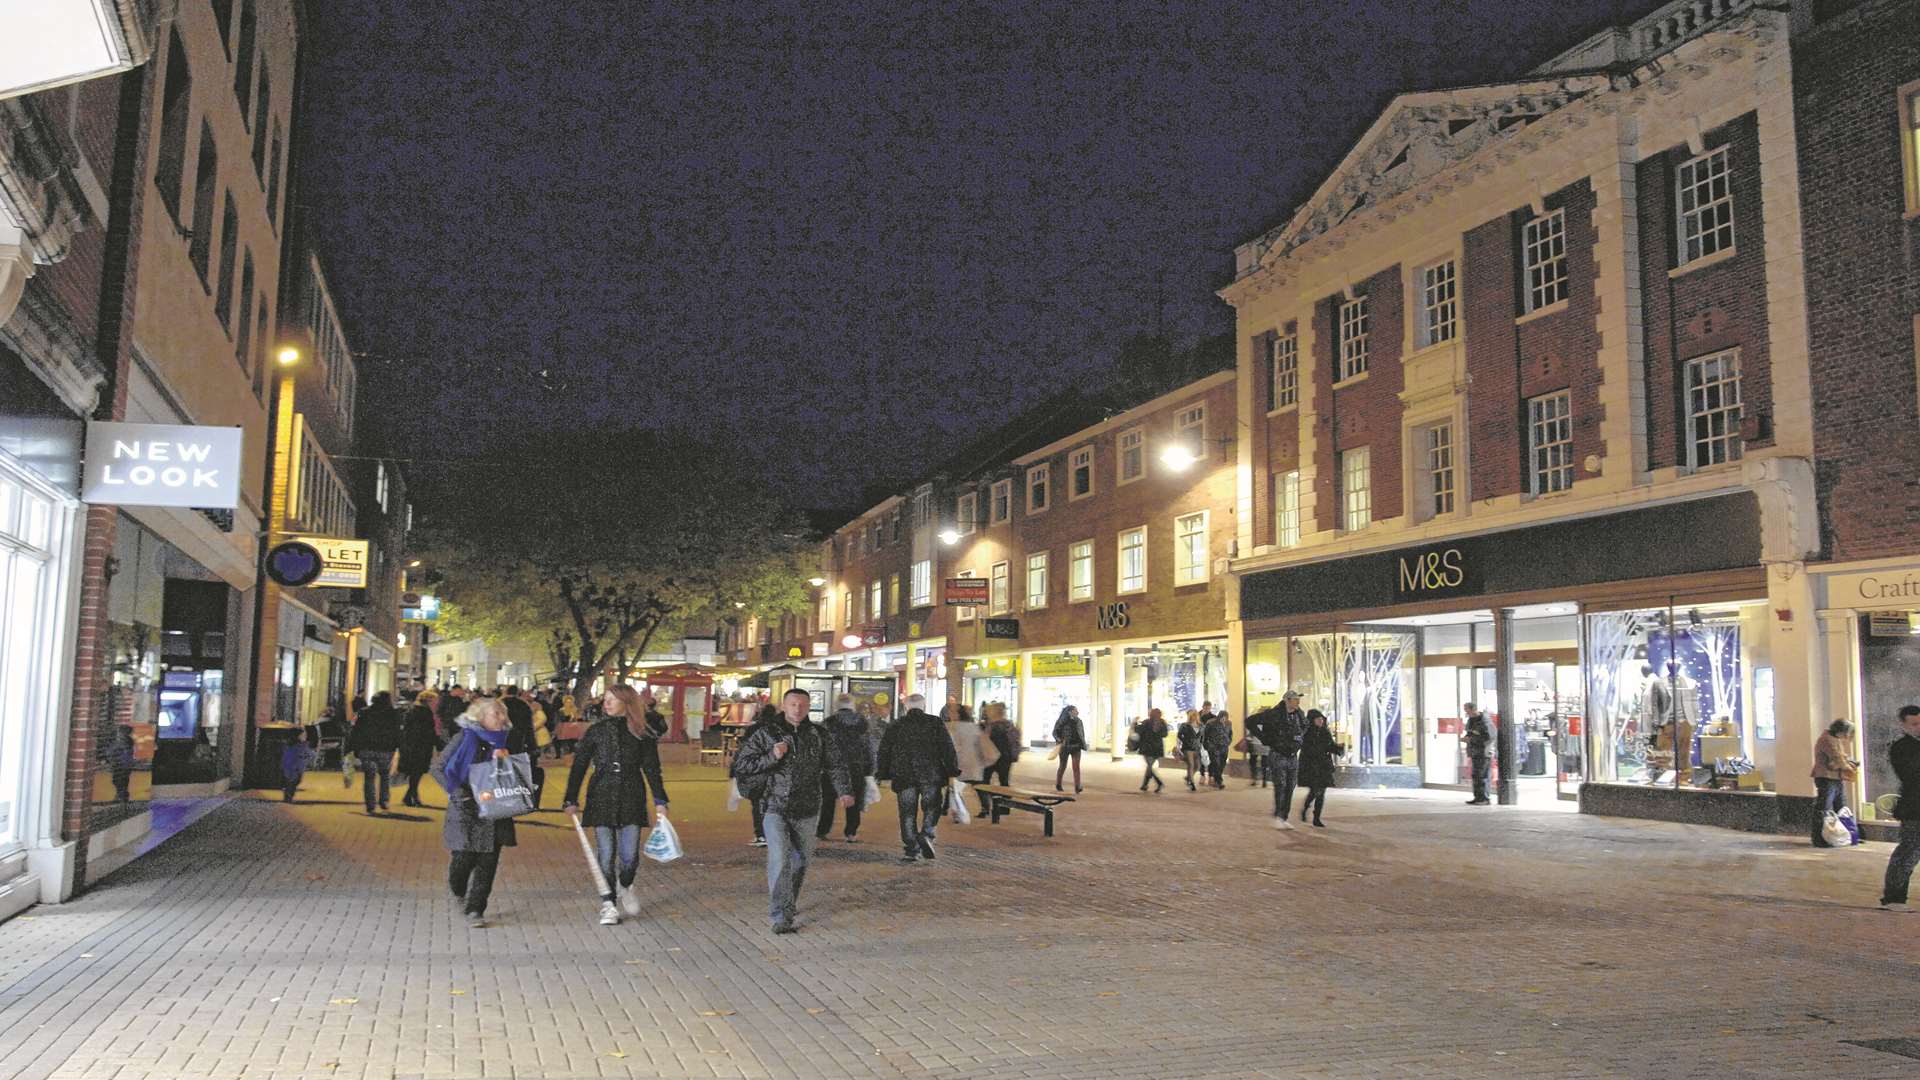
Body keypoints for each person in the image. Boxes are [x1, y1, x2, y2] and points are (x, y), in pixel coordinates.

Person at [732, 688, 851, 933]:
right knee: (780, 859)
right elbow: (742, 763)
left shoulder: (818, 734)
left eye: (803, 705)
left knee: (801, 861)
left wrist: (844, 790)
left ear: (809, 708)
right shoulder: (766, 734)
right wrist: (772, 755)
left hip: (807, 808)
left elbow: (836, 764)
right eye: (793, 704)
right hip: (774, 806)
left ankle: (789, 902)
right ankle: (781, 915)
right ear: (784, 706)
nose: (798, 710)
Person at [563, 684, 670, 926]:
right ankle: (608, 903)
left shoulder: (642, 733)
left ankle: (626, 884)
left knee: (629, 855)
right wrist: (570, 798)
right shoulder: (596, 731)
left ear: (626, 702)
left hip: (631, 793)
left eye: (612, 699)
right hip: (601, 793)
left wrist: (660, 799)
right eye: (606, 700)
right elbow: (579, 765)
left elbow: (652, 768)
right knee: (606, 854)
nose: (606, 704)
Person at [433, 696, 526, 928]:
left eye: (503, 713)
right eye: (496, 713)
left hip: (496, 808)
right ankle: (457, 890)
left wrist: (506, 762)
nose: (502, 718)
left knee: (488, 861)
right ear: (480, 716)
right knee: (463, 858)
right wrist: (454, 792)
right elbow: (437, 768)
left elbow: (523, 769)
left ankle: (476, 909)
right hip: (466, 806)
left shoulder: (509, 740)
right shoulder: (463, 737)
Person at [875, 694, 960, 864]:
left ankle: (911, 849)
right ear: (923, 705)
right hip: (931, 774)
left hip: (904, 775)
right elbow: (947, 748)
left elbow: (884, 750)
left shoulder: (896, 725)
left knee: (907, 813)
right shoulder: (935, 723)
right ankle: (927, 834)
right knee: (932, 807)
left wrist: (883, 772)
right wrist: (952, 770)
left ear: (906, 707)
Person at [817, 694, 874, 843]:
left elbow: (820, 746)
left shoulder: (828, 722)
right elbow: (869, 747)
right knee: (853, 801)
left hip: (832, 768)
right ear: (852, 705)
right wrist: (870, 769)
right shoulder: (862, 723)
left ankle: (823, 830)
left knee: (828, 801)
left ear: (836, 706)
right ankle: (851, 832)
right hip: (856, 767)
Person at [1881, 706, 1920, 910]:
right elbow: (1911, 775)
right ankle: (1894, 897)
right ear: (1903, 725)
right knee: (1909, 852)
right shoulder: (1902, 748)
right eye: (1914, 724)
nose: (1919, 727)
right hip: (1914, 808)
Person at [732, 704, 783, 847]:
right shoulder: (780, 729)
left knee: (757, 804)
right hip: (775, 772)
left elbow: (743, 751)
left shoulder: (753, 729)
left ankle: (761, 834)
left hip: (757, 772)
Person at [1251, 692, 1304, 828]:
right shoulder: (1273, 714)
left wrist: (1299, 740)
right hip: (1278, 754)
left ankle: (1283, 816)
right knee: (1280, 785)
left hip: (1292, 756)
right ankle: (1279, 816)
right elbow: (1250, 721)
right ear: (1287, 700)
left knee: (1290, 786)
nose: (1298, 702)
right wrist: (1265, 739)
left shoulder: (1299, 714)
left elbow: (1305, 727)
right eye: (1296, 699)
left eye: (1298, 699)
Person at [346, 691, 401, 814]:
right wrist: (398, 746)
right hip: (386, 749)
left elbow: (356, 731)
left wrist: (352, 748)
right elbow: (397, 732)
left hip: (367, 748)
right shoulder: (393, 713)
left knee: (369, 777)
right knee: (385, 775)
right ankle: (384, 801)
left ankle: (370, 804)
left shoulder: (364, 712)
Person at [1810, 719, 1859, 847]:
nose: (1847, 737)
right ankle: (1820, 838)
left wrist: (1849, 761)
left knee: (1841, 807)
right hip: (1826, 777)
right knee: (1824, 808)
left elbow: (1840, 756)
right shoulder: (1827, 739)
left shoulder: (1833, 738)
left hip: (1835, 777)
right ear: (1841, 731)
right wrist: (1848, 766)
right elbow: (1837, 758)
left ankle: (1847, 835)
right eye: (1847, 733)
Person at [499, 687, 546, 809]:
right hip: (518, 743)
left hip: (500, 743)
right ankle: (520, 799)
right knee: (518, 771)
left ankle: (503, 798)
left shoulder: (498, 704)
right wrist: (533, 746)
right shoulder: (523, 706)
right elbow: (529, 729)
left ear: (505, 692)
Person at [397, 690, 443, 807]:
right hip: (420, 746)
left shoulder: (412, 710)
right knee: (416, 772)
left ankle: (411, 796)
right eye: (435, 702)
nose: (436, 704)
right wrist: (439, 745)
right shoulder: (425, 713)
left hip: (410, 745)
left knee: (415, 773)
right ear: (429, 701)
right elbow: (428, 731)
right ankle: (410, 796)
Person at [1297, 710, 1339, 828]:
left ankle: (1316, 818)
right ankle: (1306, 808)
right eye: (1318, 719)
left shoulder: (1325, 731)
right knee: (1315, 791)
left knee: (1321, 792)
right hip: (1311, 767)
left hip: (1323, 766)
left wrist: (1337, 749)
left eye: (1321, 719)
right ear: (1312, 721)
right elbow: (1306, 750)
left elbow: (1330, 745)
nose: (1320, 721)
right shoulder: (1307, 733)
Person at [978, 703, 1019, 815]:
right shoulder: (1009, 724)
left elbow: (987, 742)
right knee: (1004, 781)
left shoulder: (993, 726)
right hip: (1006, 758)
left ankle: (987, 807)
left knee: (983, 781)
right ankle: (1004, 806)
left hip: (993, 757)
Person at [1051, 705, 1086, 793]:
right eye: (1075, 710)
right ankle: (1058, 784)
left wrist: (1082, 743)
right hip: (1065, 747)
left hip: (1076, 746)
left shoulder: (1079, 721)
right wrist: (1060, 741)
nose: (1077, 712)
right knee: (1063, 766)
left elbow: (1081, 733)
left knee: (1076, 767)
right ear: (1070, 712)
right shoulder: (1062, 721)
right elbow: (1055, 732)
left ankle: (1077, 786)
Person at [1133, 708, 1169, 793]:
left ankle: (1158, 782)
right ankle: (1145, 785)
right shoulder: (1162, 722)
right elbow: (1165, 734)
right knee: (1149, 767)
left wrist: (1134, 722)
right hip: (1157, 748)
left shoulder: (1147, 722)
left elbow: (1138, 730)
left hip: (1147, 747)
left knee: (1149, 767)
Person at [1464, 702, 1493, 806]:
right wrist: (1467, 738)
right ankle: (1477, 797)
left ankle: (1485, 798)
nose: (1465, 712)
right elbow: (1470, 733)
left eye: (1466, 710)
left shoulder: (1484, 721)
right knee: (1476, 775)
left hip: (1484, 752)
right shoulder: (1471, 721)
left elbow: (1489, 738)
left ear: (1473, 709)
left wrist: (1471, 740)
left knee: (1482, 775)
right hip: (1475, 752)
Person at [1203, 709, 1233, 790]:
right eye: (1222, 718)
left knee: (1222, 763)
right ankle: (1219, 781)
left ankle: (1216, 778)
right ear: (1219, 716)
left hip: (1224, 746)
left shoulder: (1229, 723)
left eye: (1225, 718)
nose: (1223, 719)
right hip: (1213, 746)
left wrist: (1229, 741)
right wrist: (1206, 744)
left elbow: (1230, 733)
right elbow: (1205, 734)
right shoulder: (1211, 723)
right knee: (1216, 763)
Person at [1176, 710, 1206, 791]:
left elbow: (1202, 738)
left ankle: (1188, 777)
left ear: (1197, 716)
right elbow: (1179, 736)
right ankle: (1192, 783)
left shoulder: (1201, 726)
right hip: (1187, 748)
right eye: (1192, 716)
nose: (1194, 717)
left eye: (1195, 715)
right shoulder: (1185, 725)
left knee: (1197, 766)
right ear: (1189, 717)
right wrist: (1178, 747)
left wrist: (1203, 747)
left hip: (1197, 748)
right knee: (1191, 764)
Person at [106, 725, 136, 803]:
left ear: (123, 732)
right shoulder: (128, 741)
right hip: (126, 764)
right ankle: (122, 796)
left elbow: (111, 751)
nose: (118, 733)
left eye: (119, 731)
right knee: (123, 781)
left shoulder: (121, 742)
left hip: (120, 764)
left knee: (117, 780)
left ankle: (122, 796)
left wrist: (109, 758)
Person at [279, 728, 310, 803]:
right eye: (303, 735)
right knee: (293, 782)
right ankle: (288, 797)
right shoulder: (300, 746)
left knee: (290, 782)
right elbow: (307, 754)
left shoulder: (288, 746)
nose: (304, 737)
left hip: (289, 766)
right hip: (295, 767)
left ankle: (288, 796)